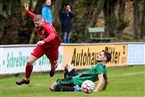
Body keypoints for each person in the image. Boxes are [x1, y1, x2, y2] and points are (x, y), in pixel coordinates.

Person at [16, 4, 61, 85]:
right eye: (35, 24)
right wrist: (27, 11)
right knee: (29, 61)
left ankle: (53, 68)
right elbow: (33, 16)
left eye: (38, 24)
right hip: (42, 46)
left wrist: (44, 41)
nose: (36, 25)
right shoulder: (37, 21)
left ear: (42, 21)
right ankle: (27, 79)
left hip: (52, 48)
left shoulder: (47, 26)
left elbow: (52, 35)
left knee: (53, 65)